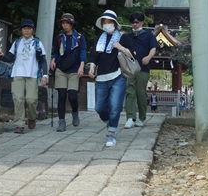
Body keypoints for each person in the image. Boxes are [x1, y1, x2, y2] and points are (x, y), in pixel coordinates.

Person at [87, 9, 134, 147]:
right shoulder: (99, 39)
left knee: (114, 106)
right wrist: (91, 67)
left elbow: (132, 55)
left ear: (115, 23)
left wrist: (120, 47)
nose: (107, 24)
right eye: (105, 22)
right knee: (99, 107)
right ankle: (110, 122)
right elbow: (94, 56)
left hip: (118, 76)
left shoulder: (123, 38)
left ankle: (112, 134)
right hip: (101, 77)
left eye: (109, 22)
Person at [0, 19, 48, 134]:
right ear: (21, 30)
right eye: (24, 28)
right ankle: (19, 124)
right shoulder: (17, 43)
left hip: (32, 74)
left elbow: (43, 60)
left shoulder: (37, 43)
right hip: (17, 73)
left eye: (29, 28)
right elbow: (10, 58)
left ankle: (32, 117)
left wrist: (44, 75)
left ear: (33, 30)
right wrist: (3, 56)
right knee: (18, 99)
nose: (26, 30)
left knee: (31, 99)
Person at [49, 13, 87, 132]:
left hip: (74, 69)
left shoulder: (80, 37)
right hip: (61, 69)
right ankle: (61, 121)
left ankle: (75, 112)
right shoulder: (59, 38)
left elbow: (83, 52)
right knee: (61, 95)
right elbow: (56, 52)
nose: (65, 25)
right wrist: (53, 59)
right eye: (63, 23)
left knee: (72, 96)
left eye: (67, 23)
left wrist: (82, 66)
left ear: (72, 24)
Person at [123, 11, 158, 129]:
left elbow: (153, 48)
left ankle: (142, 117)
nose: (135, 24)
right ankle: (130, 117)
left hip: (143, 67)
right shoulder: (127, 36)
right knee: (129, 91)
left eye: (137, 22)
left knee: (140, 93)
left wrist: (148, 57)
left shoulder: (148, 35)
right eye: (133, 22)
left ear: (142, 22)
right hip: (130, 67)